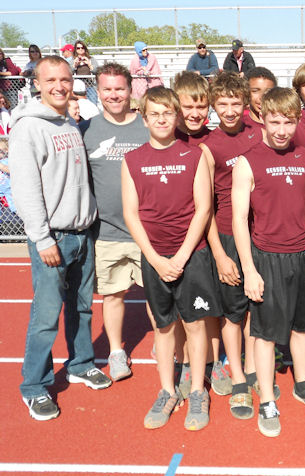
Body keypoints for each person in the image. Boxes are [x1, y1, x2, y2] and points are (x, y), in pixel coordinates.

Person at [10, 56, 112, 421]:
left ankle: (81, 362)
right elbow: (26, 190)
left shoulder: (68, 121)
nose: (59, 85)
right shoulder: (29, 128)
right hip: (53, 237)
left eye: (65, 79)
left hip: (83, 233)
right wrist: (42, 238)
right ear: (36, 83)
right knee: (46, 315)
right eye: (50, 79)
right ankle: (34, 385)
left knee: (82, 307)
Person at [122, 86, 222, 431]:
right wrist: (155, 258)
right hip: (155, 258)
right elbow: (131, 215)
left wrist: (180, 256)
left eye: (168, 113)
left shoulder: (194, 156)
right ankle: (167, 390)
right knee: (163, 327)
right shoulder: (132, 160)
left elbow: (203, 208)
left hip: (190, 255)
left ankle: (196, 390)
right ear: (144, 117)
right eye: (155, 113)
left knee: (195, 324)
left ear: (177, 116)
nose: (162, 119)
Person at [232, 87, 305, 437]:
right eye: (275, 121)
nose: (282, 129)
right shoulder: (248, 161)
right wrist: (249, 269)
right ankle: (267, 400)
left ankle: (302, 385)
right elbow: (239, 220)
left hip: (302, 256)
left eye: (289, 122)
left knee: (302, 326)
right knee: (265, 334)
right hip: (266, 257)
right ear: (263, 119)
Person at [79, 62, 150, 383]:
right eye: (106, 89)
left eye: (119, 88)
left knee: (159, 295)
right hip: (107, 232)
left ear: (130, 88)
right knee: (113, 295)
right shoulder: (87, 130)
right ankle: (117, 351)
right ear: (97, 90)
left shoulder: (148, 127)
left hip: (148, 233)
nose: (113, 95)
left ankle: (168, 345)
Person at [200, 71, 263, 419]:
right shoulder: (209, 147)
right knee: (232, 312)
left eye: (235, 102)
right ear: (214, 105)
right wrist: (221, 254)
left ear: (245, 103)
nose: (229, 109)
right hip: (226, 235)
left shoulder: (260, 134)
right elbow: (205, 206)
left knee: (256, 306)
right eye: (221, 103)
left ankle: (253, 369)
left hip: (259, 236)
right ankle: (237, 376)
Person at [172, 70, 233, 398]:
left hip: (207, 238)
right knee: (180, 311)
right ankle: (185, 364)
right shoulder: (166, 138)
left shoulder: (210, 141)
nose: (195, 114)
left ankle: (212, 361)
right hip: (173, 241)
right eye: (187, 107)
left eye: (201, 107)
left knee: (209, 306)